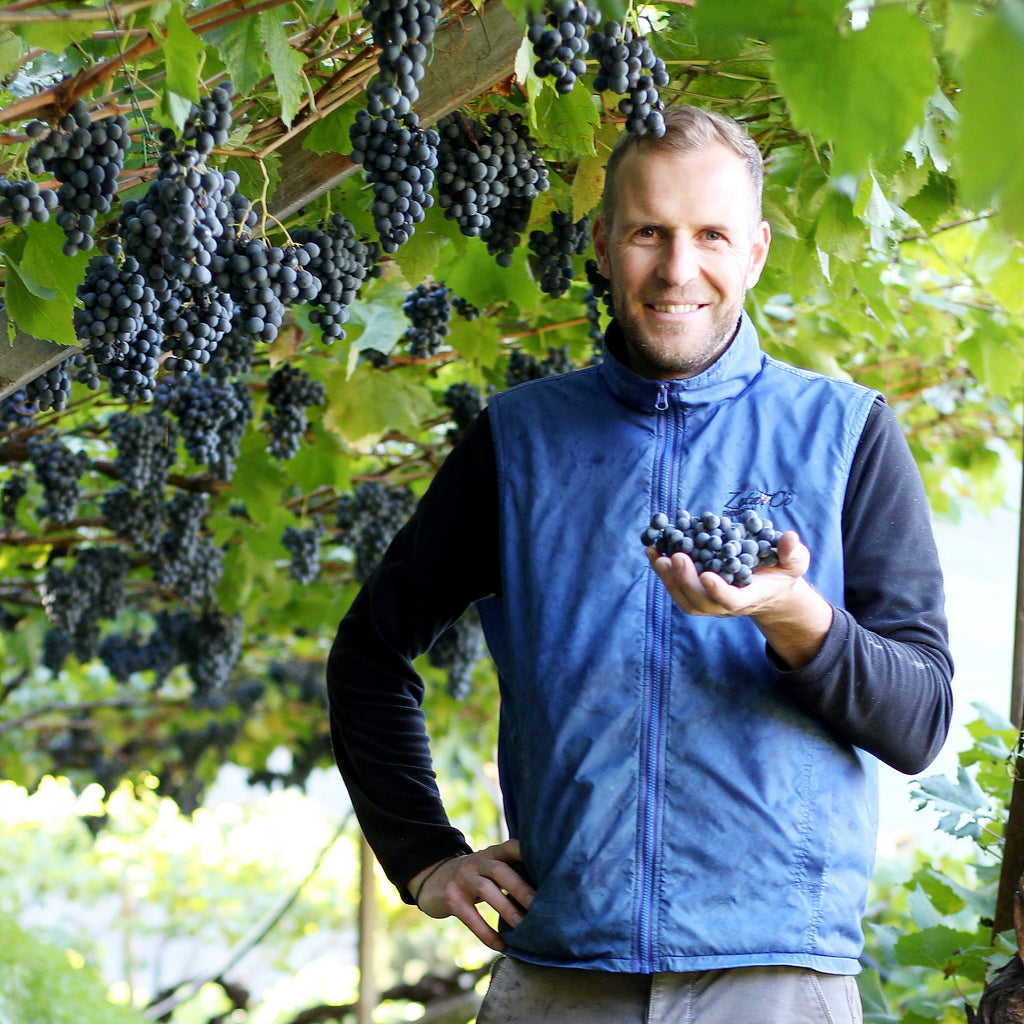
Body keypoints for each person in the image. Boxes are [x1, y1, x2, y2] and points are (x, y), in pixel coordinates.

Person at [326, 104, 954, 1023]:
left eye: (710, 235)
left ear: (755, 252)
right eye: (648, 233)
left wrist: (792, 616)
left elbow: (921, 718)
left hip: (777, 980)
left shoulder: (848, 432)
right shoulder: (519, 440)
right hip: (560, 975)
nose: (677, 268)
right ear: (603, 240)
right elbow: (370, 654)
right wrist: (425, 857)